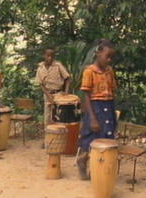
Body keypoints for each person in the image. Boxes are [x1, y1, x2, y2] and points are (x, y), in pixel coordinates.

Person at [77, 39, 117, 180]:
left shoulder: (109, 71)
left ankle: (99, 169)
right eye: (107, 56)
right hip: (95, 108)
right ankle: (82, 160)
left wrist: (112, 112)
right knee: (91, 137)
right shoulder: (89, 72)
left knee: (107, 137)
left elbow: (112, 91)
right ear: (98, 53)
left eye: (111, 57)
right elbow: (86, 95)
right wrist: (92, 117)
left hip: (108, 105)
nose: (109, 59)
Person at [35, 48, 71, 128]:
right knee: (47, 118)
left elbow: (67, 78)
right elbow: (41, 84)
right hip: (47, 95)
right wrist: (48, 95)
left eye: (52, 56)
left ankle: (59, 139)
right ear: (44, 55)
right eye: (48, 56)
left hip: (59, 94)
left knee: (58, 117)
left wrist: (66, 92)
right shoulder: (40, 68)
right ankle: (48, 138)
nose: (50, 58)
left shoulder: (58, 66)